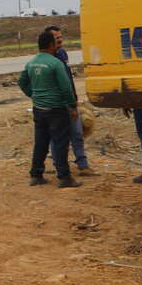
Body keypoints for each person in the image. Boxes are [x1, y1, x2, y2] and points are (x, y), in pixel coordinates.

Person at [17, 26, 79, 188]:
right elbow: (66, 88)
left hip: (39, 109)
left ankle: (36, 175)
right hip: (57, 110)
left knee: (41, 142)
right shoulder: (56, 63)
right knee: (60, 143)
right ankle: (64, 177)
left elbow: (22, 82)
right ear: (51, 45)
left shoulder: (31, 63)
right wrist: (72, 106)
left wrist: (34, 95)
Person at [49, 27, 92, 174]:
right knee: (57, 137)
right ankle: (59, 165)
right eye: (56, 37)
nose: (60, 39)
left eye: (61, 36)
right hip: (57, 105)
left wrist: (74, 99)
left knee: (77, 133)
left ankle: (83, 164)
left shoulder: (62, 53)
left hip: (70, 101)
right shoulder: (49, 58)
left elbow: (68, 79)